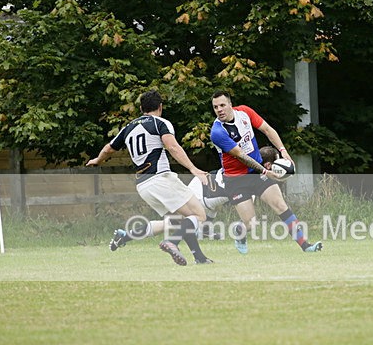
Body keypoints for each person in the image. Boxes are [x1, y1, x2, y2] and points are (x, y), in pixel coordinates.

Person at [86, 89, 213, 266]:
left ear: (140, 108)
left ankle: (127, 236)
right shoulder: (160, 123)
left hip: (143, 186)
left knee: (174, 222)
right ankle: (173, 243)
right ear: (160, 107)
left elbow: (108, 148)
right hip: (160, 178)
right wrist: (193, 168)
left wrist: (98, 159)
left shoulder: (128, 128)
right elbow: (173, 147)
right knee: (199, 215)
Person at [209, 90, 322, 254]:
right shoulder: (217, 132)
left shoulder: (245, 113)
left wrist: (283, 151)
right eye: (215, 107)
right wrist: (265, 170)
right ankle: (240, 234)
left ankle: (306, 245)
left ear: (230, 104)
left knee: (280, 205)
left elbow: (268, 130)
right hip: (235, 179)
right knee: (251, 224)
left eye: (222, 105)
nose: (219, 109)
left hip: (256, 173)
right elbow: (241, 156)